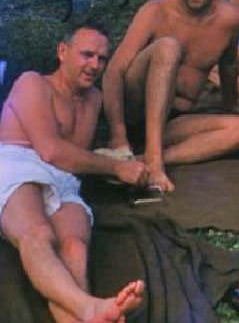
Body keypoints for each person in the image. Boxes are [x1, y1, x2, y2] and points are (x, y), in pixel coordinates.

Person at [0, 24, 147, 323]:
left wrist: (130, 162)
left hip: (65, 178)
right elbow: (50, 150)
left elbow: (75, 159)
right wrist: (118, 168)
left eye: (102, 59)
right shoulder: (32, 83)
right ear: (62, 52)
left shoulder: (94, 99)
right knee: (37, 234)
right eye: (87, 55)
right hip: (18, 163)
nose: (95, 65)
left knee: (74, 246)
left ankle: (84, 317)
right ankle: (88, 307)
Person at [102, 0, 239, 193]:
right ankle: (154, 160)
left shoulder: (230, 17)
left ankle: (146, 160)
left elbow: (228, 64)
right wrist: (118, 135)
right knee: (169, 47)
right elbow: (113, 71)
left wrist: (231, 102)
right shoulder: (155, 11)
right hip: (136, 109)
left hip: (173, 120)